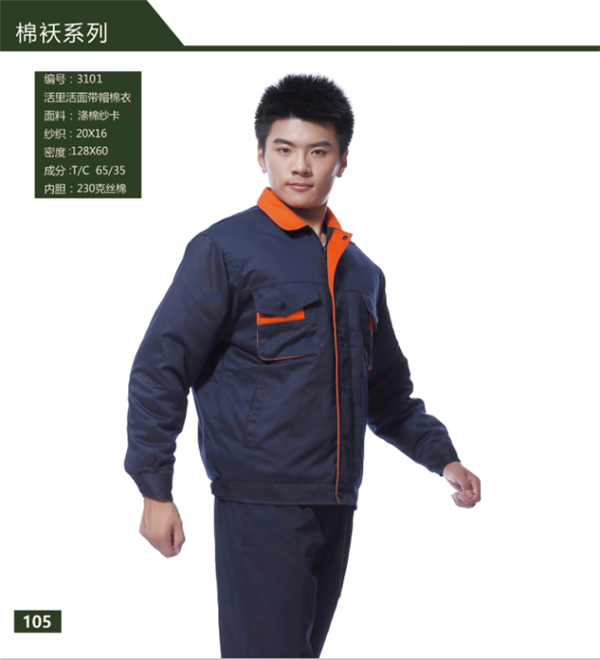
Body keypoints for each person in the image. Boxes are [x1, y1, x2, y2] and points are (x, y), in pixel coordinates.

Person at [125, 73, 481, 658]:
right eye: (284, 149)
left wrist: (443, 459)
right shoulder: (225, 250)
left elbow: (387, 394)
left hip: (336, 501)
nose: (300, 166)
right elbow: (161, 366)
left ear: (343, 161)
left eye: (318, 151)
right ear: (260, 154)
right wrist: (153, 488)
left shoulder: (362, 272)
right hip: (260, 504)